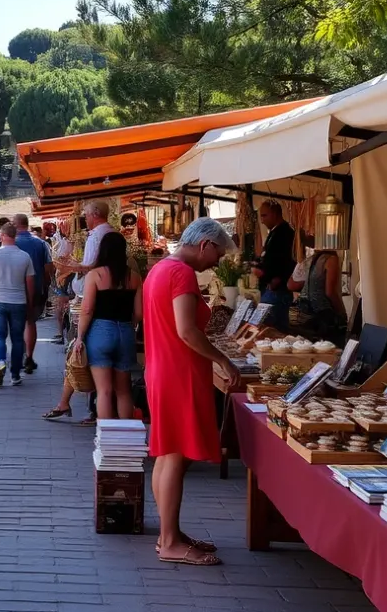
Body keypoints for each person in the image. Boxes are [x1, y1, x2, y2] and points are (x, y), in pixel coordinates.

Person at [145, 217, 239, 567]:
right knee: (174, 455)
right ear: (205, 245)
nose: (217, 262)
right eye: (219, 254)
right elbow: (187, 331)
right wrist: (223, 360)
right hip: (177, 373)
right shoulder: (181, 273)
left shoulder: (161, 269)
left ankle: (168, 533)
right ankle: (170, 540)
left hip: (163, 369)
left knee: (168, 453)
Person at [45, 232, 141, 421]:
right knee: (123, 391)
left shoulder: (95, 275)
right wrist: (129, 325)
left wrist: (80, 337)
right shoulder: (135, 277)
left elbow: (87, 309)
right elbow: (139, 313)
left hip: (100, 332)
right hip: (125, 331)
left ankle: (106, 434)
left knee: (104, 390)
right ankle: (125, 434)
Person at [0, 223, 34, 388]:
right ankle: (15, 375)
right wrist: (30, 303)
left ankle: (0, 362)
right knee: (17, 339)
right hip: (18, 301)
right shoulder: (24, 256)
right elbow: (30, 283)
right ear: (14, 236)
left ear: (2, 236)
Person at [11, 213, 53, 375]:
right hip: (36, 288)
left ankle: (19, 355)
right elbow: (48, 267)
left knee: (16, 325)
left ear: (15, 225)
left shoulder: (10, 242)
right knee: (31, 322)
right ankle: (29, 357)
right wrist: (46, 284)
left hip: (13, 290)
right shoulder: (41, 243)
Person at [252, 200, 296, 331]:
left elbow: (286, 261)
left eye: (264, 216)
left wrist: (275, 278)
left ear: (275, 214)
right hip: (271, 288)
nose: (262, 220)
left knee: (272, 330)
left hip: (277, 290)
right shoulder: (275, 232)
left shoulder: (285, 233)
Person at [290, 248, 347, 345]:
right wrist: (341, 312)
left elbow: (292, 284)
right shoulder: (331, 259)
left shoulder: (310, 259)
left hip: (303, 311)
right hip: (320, 313)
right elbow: (330, 292)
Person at [57, 200, 114, 297]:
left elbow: (94, 267)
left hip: (95, 291)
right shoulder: (105, 232)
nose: (85, 219)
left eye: (86, 215)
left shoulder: (98, 235)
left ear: (95, 214)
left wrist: (75, 267)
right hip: (98, 288)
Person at [49, 219, 75, 342]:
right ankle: (62, 334)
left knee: (61, 310)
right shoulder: (65, 241)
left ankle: (62, 335)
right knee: (61, 310)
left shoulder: (67, 242)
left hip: (66, 278)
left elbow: (60, 257)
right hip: (64, 278)